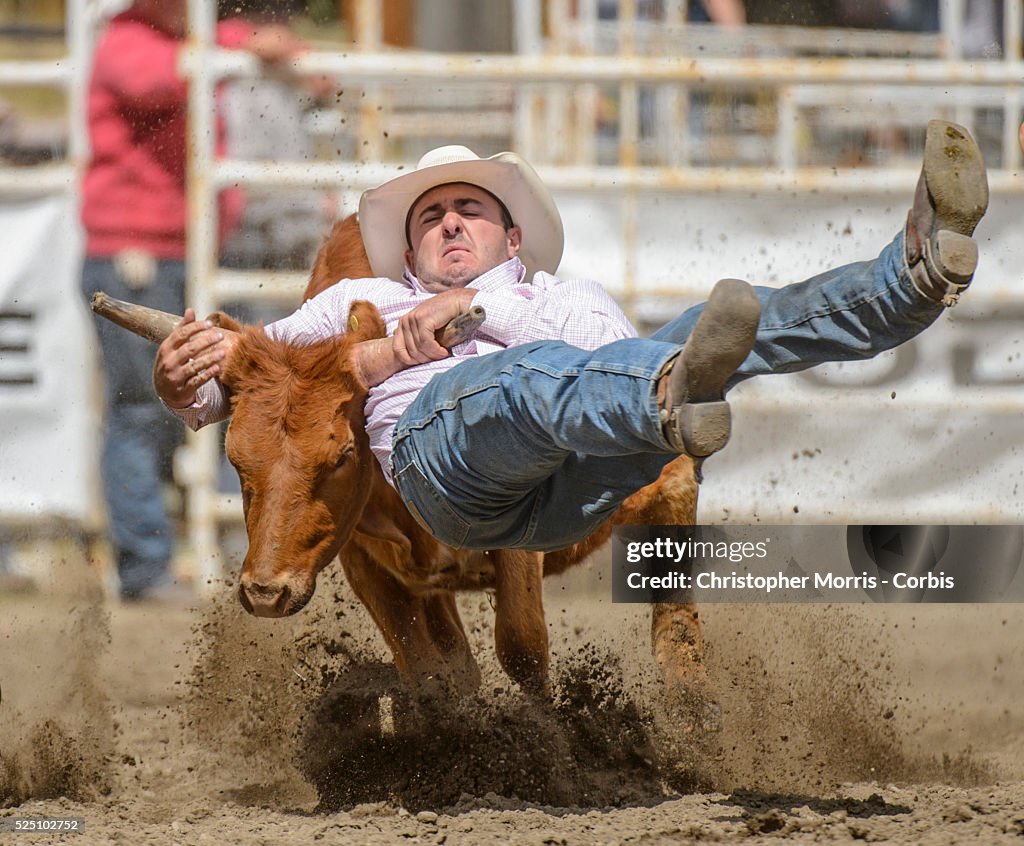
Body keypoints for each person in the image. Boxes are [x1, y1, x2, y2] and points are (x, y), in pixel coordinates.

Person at [153, 119, 988, 553]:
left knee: (700, 335)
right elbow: (251, 378)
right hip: (445, 468)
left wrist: (483, 313)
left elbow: (597, 357)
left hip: (577, 484)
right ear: (408, 254)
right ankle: (671, 404)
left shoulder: (564, 296)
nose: (449, 223)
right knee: (522, 380)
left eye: (469, 210)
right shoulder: (361, 298)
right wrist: (188, 379)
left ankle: (911, 282)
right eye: (430, 216)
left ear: (511, 242)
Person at [81, 0, 321, 601]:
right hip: (142, 249)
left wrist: (248, 42)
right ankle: (146, 567)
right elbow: (156, 77)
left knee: (208, 402)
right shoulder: (127, 42)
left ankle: (178, 558)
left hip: (180, 249)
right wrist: (244, 41)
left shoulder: (170, 39)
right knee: (142, 409)